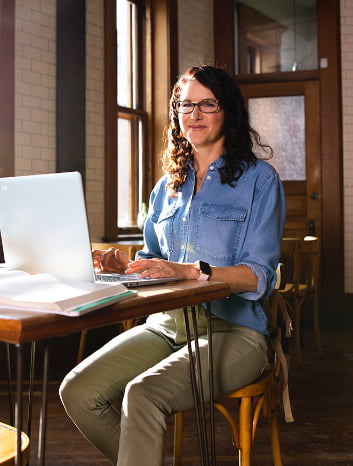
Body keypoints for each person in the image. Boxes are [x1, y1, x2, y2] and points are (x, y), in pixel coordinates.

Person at [59, 65, 285, 466]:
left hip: (236, 331)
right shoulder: (167, 186)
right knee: (78, 390)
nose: (193, 114)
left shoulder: (260, 180)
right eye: (185, 105)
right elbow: (151, 258)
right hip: (165, 325)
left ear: (227, 111)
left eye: (206, 104)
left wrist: (192, 270)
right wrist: (124, 265)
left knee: (143, 394)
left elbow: (259, 277)